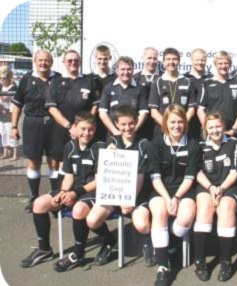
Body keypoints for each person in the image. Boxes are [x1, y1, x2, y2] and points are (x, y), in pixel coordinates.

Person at [19, 112, 105, 270]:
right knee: (39, 204)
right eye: (83, 129)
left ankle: (78, 254)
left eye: (91, 129)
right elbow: (69, 177)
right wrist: (63, 192)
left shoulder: (100, 147)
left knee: (78, 209)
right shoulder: (69, 146)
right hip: (73, 189)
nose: (87, 133)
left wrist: (74, 194)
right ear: (75, 128)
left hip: (92, 191)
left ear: (95, 129)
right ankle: (44, 249)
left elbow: (99, 181)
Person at [86, 105, 151, 266]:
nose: (127, 127)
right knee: (92, 220)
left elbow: (140, 176)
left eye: (130, 123)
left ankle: (147, 243)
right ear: (116, 124)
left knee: (142, 224)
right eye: (123, 124)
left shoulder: (144, 144)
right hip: (114, 194)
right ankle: (109, 239)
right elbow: (106, 172)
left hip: (136, 194)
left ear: (136, 122)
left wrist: (129, 200)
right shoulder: (111, 142)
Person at [147, 104, 201, 286]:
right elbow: (154, 176)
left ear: (185, 123)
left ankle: (165, 243)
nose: (176, 126)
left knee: (186, 216)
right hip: (161, 189)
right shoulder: (156, 143)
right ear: (165, 124)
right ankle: (163, 266)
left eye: (180, 121)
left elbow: (190, 175)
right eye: (172, 122)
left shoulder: (193, 144)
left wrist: (177, 197)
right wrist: (167, 197)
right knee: (160, 212)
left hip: (183, 190)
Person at [193, 112, 237, 282]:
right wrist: (211, 187)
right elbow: (197, 172)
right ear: (205, 129)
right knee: (205, 207)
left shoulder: (234, 143)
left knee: (226, 207)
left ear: (224, 127)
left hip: (229, 185)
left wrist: (221, 188)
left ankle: (225, 261)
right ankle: (199, 261)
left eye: (218, 126)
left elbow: (235, 172)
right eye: (211, 127)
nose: (215, 130)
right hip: (207, 185)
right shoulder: (199, 145)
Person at [12, 50, 61, 212]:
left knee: (54, 161)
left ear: (51, 62)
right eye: (40, 60)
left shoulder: (59, 78)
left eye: (46, 60)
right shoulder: (26, 79)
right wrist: (13, 127)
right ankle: (34, 197)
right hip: (32, 124)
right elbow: (18, 104)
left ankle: (55, 198)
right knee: (34, 162)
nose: (43, 63)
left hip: (55, 124)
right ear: (35, 61)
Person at [46, 50, 99, 181]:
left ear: (80, 62)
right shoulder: (56, 81)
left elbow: (95, 105)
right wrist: (70, 126)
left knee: (82, 160)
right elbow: (52, 108)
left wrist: (86, 124)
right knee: (57, 163)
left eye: (76, 60)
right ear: (64, 62)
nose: (73, 63)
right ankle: (57, 194)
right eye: (69, 60)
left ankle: (78, 191)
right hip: (60, 129)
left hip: (83, 131)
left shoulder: (89, 80)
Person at [197, 50, 237, 143]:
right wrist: (209, 128)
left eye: (226, 63)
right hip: (212, 134)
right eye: (220, 63)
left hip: (232, 133)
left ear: (230, 64)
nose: (223, 66)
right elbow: (200, 110)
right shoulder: (206, 83)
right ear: (215, 64)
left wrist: (234, 130)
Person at [148, 47, 196, 138]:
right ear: (163, 62)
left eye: (174, 59)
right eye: (168, 59)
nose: (171, 62)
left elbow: (191, 110)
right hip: (162, 131)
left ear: (179, 61)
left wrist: (181, 126)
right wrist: (168, 127)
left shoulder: (188, 81)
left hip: (183, 131)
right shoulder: (157, 82)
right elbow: (154, 112)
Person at [98, 56, 148, 137]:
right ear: (117, 71)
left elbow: (143, 114)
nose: (126, 72)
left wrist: (132, 131)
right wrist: (115, 131)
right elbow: (102, 113)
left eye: (129, 69)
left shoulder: (141, 89)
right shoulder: (108, 88)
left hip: (134, 135)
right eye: (123, 69)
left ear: (133, 70)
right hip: (113, 135)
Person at [133, 47, 162, 140]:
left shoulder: (164, 77)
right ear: (143, 58)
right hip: (139, 124)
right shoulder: (135, 78)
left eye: (155, 58)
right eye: (149, 58)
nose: (152, 61)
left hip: (159, 125)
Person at [90, 44, 116, 142]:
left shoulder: (116, 78)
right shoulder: (89, 78)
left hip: (111, 120)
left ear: (110, 58)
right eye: (100, 58)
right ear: (95, 58)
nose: (102, 61)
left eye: (105, 58)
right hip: (94, 120)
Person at [184, 48, 212, 140]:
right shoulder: (184, 78)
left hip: (207, 122)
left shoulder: (212, 78)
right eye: (197, 60)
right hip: (188, 123)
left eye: (202, 60)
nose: (200, 62)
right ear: (191, 60)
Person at [0, 66, 18, 160]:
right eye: (1, 78)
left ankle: (15, 154)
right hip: (2, 113)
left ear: (8, 77)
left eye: (4, 78)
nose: (3, 80)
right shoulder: (1, 86)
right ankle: (5, 152)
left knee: (12, 133)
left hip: (11, 114)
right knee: (3, 133)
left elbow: (4, 98)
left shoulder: (13, 86)